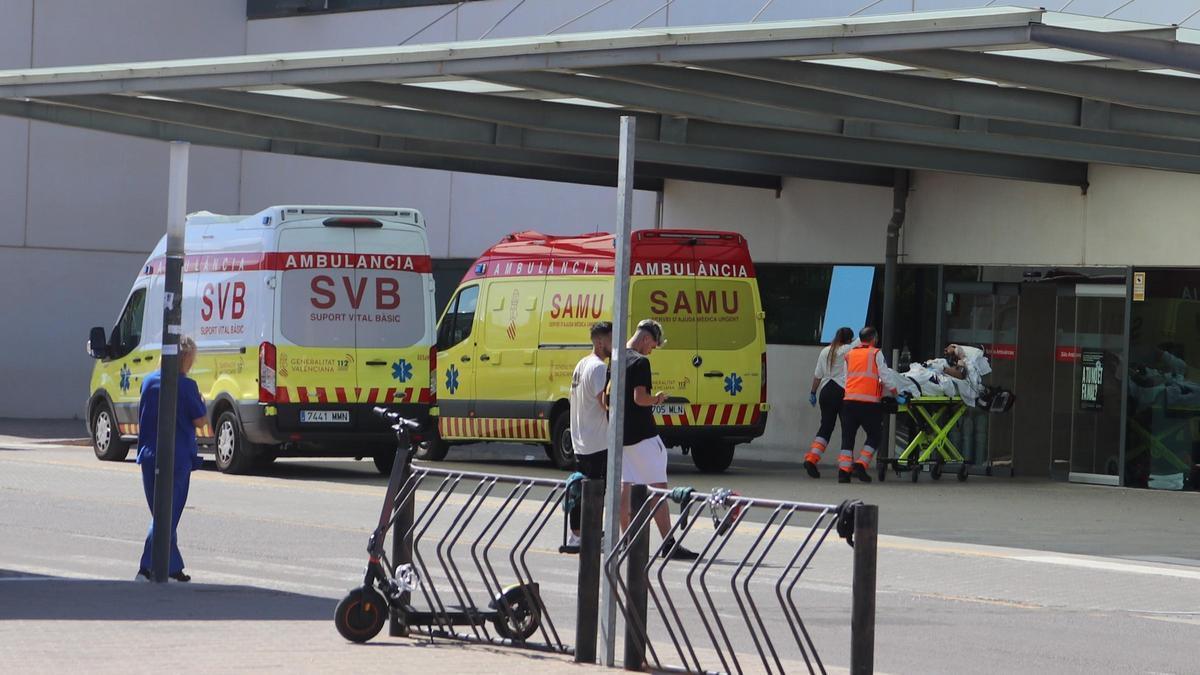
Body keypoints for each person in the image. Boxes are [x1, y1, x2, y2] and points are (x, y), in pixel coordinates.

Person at [616, 319, 699, 561]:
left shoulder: (617, 358)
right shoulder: (640, 362)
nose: (652, 350)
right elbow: (639, 398)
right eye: (653, 345)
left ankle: (626, 541)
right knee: (658, 489)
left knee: (626, 487)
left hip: (622, 436)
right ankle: (669, 543)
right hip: (643, 436)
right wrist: (657, 398)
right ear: (645, 339)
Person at [135, 335, 207, 582]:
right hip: (176, 458)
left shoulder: (147, 382)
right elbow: (200, 420)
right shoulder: (186, 386)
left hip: (148, 454)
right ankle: (146, 568)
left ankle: (172, 566)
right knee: (167, 515)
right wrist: (202, 404)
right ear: (185, 358)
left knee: (162, 512)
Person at [566, 321, 613, 550]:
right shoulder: (598, 368)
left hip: (582, 440)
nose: (614, 346)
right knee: (595, 492)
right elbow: (604, 403)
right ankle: (589, 536)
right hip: (597, 441)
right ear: (599, 341)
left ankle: (577, 535)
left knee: (581, 489)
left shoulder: (581, 364)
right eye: (611, 340)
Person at [837, 327, 898, 484]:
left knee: (847, 437)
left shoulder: (849, 355)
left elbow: (845, 378)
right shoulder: (876, 353)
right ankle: (860, 465)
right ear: (874, 338)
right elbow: (885, 376)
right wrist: (895, 392)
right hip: (869, 403)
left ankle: (843, 473)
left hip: (849, 401)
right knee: (875, 435)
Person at [804, 326, 856, 479]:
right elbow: (862, 340)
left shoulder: (825, 351)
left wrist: (813, 392)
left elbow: (817, 375)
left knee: (826, 427)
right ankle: (845, 468)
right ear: (849, 339)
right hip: (842, 391)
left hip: (825, 392)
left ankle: (812, 458)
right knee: (847, 429)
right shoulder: (848, 349)